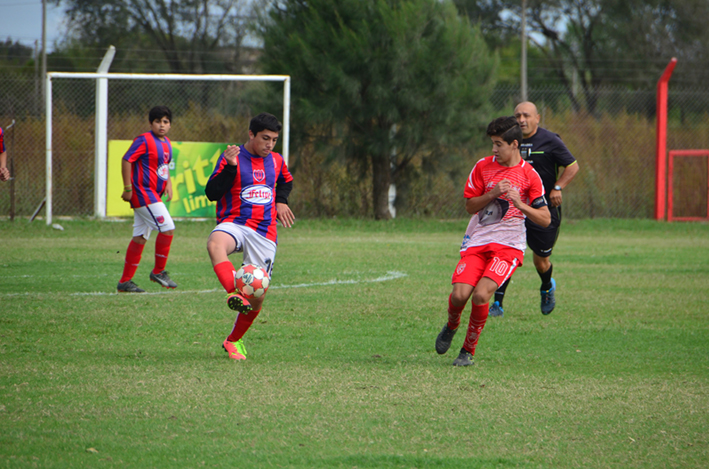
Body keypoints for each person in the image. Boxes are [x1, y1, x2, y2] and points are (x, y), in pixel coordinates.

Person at [435, 116, 550, 366]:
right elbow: (469, 206)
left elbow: (545, 218)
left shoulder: (530, 176)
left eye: (498, 144)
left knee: (481, 295)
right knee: (459, 295)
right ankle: (451, 325)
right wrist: (493, 193)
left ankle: (467, 351)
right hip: (478, 241)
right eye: (492, 144)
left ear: (514, 144)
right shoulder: (482, 167)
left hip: (508, 246)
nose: (494, 150)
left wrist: (521, 205)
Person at [205, 112, 295, 361]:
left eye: (274, 140)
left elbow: (286, 182)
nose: (270, 145)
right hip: (235, 222)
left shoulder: (276, 161)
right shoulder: (231, 157)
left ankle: (233, 340)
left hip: (264, 231)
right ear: (251, 134)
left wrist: (281, 201)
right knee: (215, 244)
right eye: (265, 138)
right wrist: (231, 168)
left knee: (257, 296)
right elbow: (212, 192)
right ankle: (232, 291)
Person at [489, 101, 579, 317]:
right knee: (506, 252)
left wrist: (558, 187)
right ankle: (497, 304)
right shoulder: (508, 141)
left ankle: (547, 287)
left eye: (527, 115)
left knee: (540, 261)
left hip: (541, 210)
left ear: (537, 118)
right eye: (518, 115)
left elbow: (573, 166)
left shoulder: (550, 140)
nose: (522, 119)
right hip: (512, 209)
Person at [116, 106, 178, 293]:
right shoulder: (143, 140)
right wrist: (128, 188)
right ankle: (158, 271)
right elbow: (127, 160)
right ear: (151, 123)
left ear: (169, 125)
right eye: (158, 121)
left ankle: (125, 282)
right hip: (143, 193)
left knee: (140, 237)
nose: (162, 125)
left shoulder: (167, 143)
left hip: (154, 194)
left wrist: (167, 182)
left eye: (165, 122)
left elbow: (163, 166)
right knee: (168, 228)